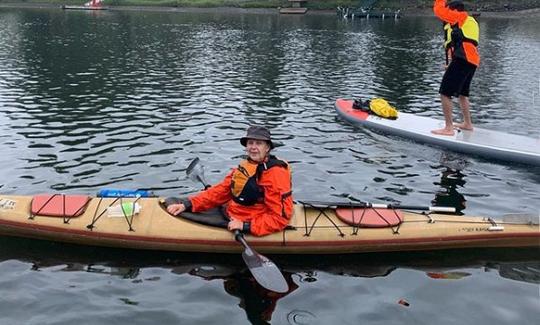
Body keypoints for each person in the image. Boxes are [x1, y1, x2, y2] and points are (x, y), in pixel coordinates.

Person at [167, 125, 293, 236]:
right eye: (250, 143)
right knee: (175, 201)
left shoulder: (276, 174)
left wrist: (245, 226)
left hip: (252, 220)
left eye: (258, 143)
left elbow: (280, 218)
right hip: (232, 212)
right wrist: (188, 204)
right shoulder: (247, 165)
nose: (253, 147)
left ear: (267, 148)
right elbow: (222, 190)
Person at [431, 0, 480, 136]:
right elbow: (462, 43)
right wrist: (451, 64)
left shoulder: (459, 17)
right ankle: (467, 124)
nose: (447, 15)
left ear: (454, 10)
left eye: (449, 11)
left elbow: (438, 10)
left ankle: (448, 128)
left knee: (445, 92)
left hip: (462, 60)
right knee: (463, 94)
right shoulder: (470, 21)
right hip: (471, 61)